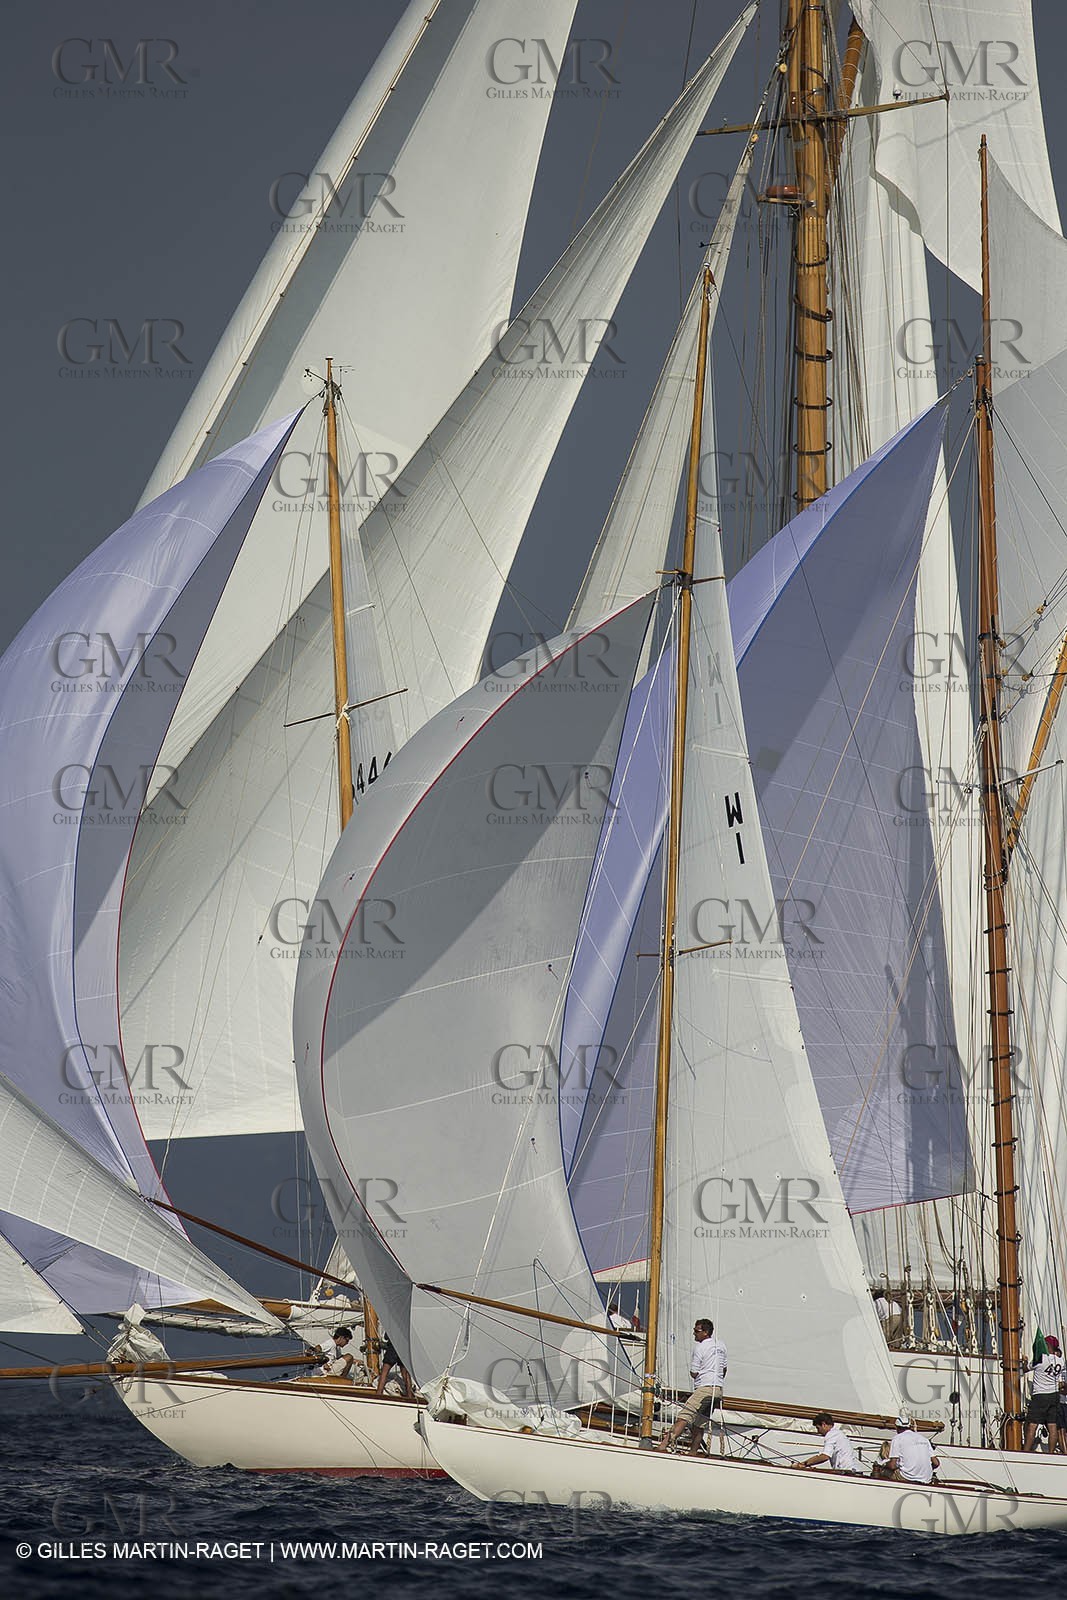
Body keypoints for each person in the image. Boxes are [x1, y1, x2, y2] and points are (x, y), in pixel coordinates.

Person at [657, 1318, 727, 1454]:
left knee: (684, 1417)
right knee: (698, 1424)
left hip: (704, 1389)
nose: (694, 1334)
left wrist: (701, 1377)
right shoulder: (721, 1345)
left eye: (696, 1331)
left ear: (705, 1332)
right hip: (718, 1390)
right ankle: (693, 1453)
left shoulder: (700, 1347)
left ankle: (662, 1446)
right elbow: (724, 1369)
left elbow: (694, 1373)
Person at [1024, 1334, 1066, 1452]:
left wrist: (1025, 1361)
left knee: (1032, 1425)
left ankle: (1025, 1452)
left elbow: (1026, 1368)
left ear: (1047, 1345)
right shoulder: (1061, 1361)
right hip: (1054, 1396)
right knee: (1052, 1426)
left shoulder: (1040, 1358)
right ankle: (1051, 1453)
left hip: (1040, 1396)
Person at [887, 1414, 939, 1484]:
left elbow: (892, 1466)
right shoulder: (924, 1439)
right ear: (910, 1426)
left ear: (896, 1427)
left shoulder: (897, 1438)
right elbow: (936, 1463)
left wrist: (885, 1465)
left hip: (907, 1477)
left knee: (884, 1472)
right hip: (926, 1478)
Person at [376, 1333, 415, 1399]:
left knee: (384, 1372)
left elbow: (386, 1337)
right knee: (406, 1375)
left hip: (392, 1347)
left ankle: (379, 1394)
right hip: (403, 1348)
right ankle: (410, 1396)